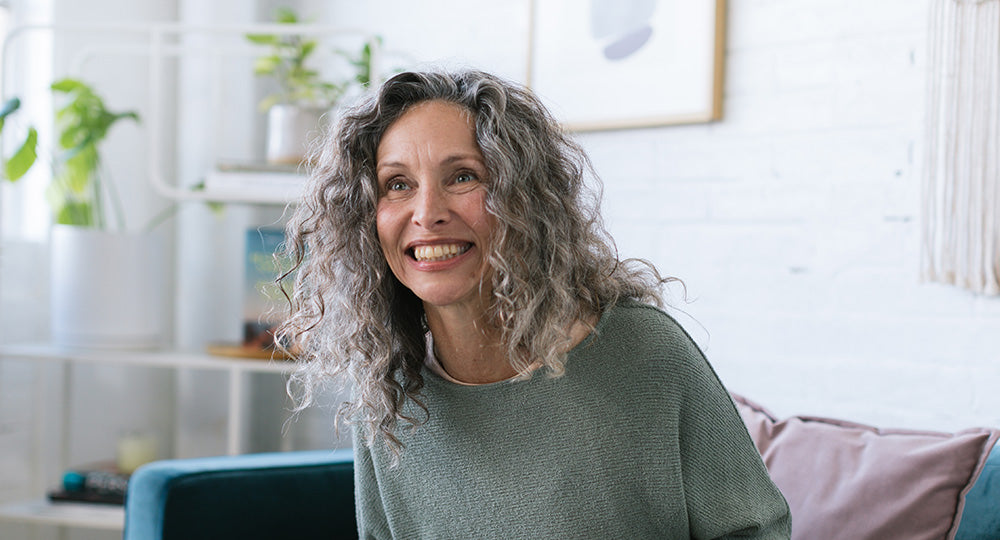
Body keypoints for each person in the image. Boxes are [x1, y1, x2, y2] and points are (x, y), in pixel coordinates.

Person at [277, 68, 791, 539]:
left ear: (525, 201)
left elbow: (755, 530)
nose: (427, 211)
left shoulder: (644, 352)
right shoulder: (388, 390)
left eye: (463, 176)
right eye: (397, 185)